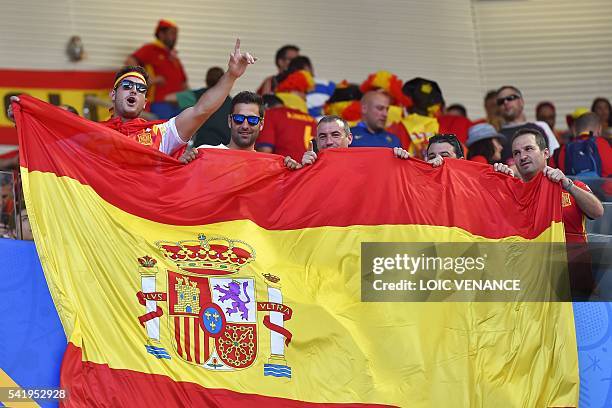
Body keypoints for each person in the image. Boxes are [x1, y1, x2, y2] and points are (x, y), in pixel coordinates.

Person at [9, 39, 256, 159]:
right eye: (127, 86)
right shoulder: (91, 134)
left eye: (141, 89)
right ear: (113, 94)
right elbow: (49, 134)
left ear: (145, 103)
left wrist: (232, 76)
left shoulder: (162, 134)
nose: (134, 91)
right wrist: (24, 114)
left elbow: (201, 109)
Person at [285, 115, 409, 169]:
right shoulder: (308, 166)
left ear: (349, 138)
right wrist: (303, 172)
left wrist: (397, 162)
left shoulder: (365, 165)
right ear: (316, 141)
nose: (329, 142)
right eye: (323, 137)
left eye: (335, 135)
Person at [126, 19, 187, 119]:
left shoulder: (173, 56)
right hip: (159, 103)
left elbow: (183, 82)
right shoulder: (150, 49)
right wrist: (148, 79)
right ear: (161, 34)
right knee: (165, 130)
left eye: (176, 34)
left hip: (178, 103)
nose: (175, 37)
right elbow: (130, 61)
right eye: (172, 33)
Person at [255, 68, 317, 160]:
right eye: (305, 93)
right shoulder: (313, 120)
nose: (306, 98)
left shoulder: (271, 114)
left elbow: (264, 153)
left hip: (284, 172)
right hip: (310, 172)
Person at [165, 66, 232, 147]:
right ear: (223, 82)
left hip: (202, 145)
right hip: (225, 146)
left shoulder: (197, 95)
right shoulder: (231, 101)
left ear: (206, 81)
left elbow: (168, 98)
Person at [496, 85, 559, 164]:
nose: (505, 102)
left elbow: (556, 157)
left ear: (521, 101)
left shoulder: (541, 126)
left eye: (510, 98)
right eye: (500, 101)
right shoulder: (496, 137)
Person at [554, 112, 612, 178]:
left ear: (574, 131)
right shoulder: (608, 145)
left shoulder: (559, 152)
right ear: (599, 129)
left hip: (573, 187)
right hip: (604, 187)